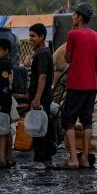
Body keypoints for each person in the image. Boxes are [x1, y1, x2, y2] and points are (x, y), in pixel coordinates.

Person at [61, 3, 97, 169]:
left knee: (68, 120)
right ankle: (84, 158)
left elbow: (68, 58)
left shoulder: (73, 34)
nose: (72, 17)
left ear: (79, 17)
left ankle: (73, 159)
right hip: (91, 84)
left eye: (74, 15)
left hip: (76, 83)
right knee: (87, 120)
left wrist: (72, 30)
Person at [28, 23, 56, 166]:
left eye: (33, 36)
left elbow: (42, 76)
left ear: (42, 37)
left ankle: (40, 160)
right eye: (30, 36)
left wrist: (37, 97)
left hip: (41, 97)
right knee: (44, 126)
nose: (30, 39)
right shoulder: (41, 53)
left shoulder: (43, 54)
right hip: (41, 96)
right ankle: (46, 159)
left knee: (39, 128)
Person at [0, 38, 14, 167]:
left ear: (7, 50)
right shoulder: (7, 63)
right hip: (7, 100)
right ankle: (8, 157)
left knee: (1, 130)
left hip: (2, 100)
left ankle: (2, 158)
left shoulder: (4, 64)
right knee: (7, 128)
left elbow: (4, 85)